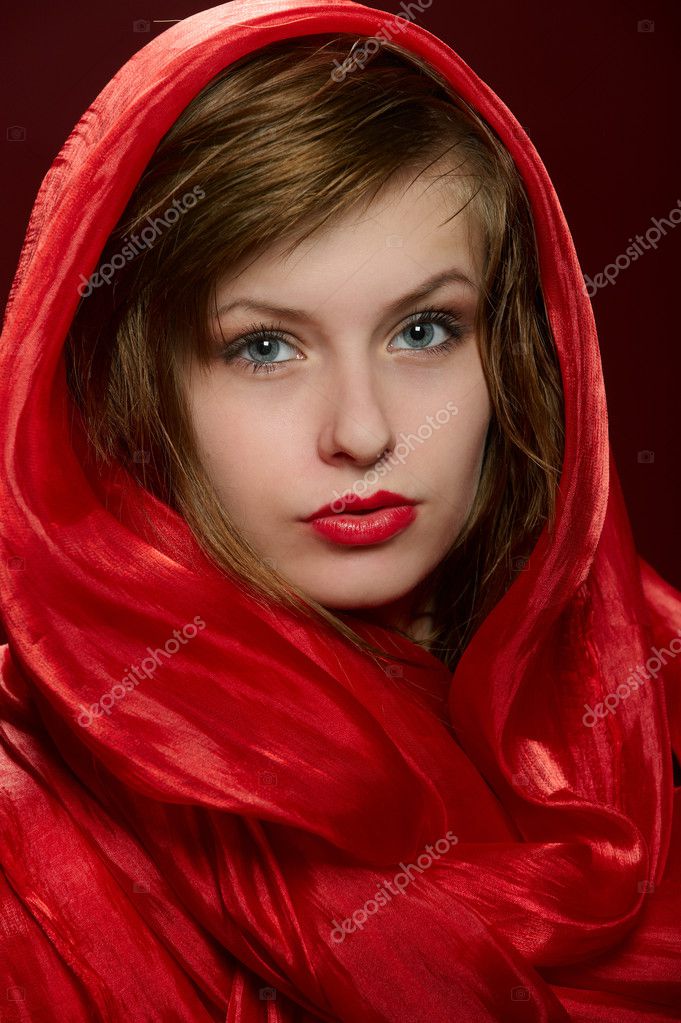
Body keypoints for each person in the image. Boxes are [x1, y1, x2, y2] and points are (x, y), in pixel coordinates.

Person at [0, 1, 679, 1020]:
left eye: (424, 330)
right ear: (133, 387)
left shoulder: (653, 695)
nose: (364, 433)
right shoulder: (24, 820)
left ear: (517, 349)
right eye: (264, 346)